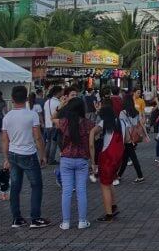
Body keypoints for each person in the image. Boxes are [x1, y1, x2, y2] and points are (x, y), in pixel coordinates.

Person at [1, 85, 50, 229]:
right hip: (28, 154)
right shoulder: (32, 115)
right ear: (27, 98)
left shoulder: (7, 117)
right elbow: (38, 138)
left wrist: (6, 158)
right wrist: (43, 155)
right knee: (36, 185)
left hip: (13, 154)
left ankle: (17, 218)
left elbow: (5, 139)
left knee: (15, 187)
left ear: (12, 99)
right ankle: (35, 218)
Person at [55, 95, 94, 230]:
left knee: (66, 191)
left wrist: (61, 106)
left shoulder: (63, 122)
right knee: (81, 190)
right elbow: (92, 142)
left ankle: (66, 222)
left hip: (66, 159)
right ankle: (82, 221)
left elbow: (51, 119)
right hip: (82, 159)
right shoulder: (88, 123)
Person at [94, 91, 124, 221]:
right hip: (118, 157)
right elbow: (127, 139)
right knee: (110, 181)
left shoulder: (103, 123)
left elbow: (93, 133)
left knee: (104, 185)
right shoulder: (121, 122)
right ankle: (114, 206)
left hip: (106, 157)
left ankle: (108, 214)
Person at [118, 96, 145, 183]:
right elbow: (138, 124)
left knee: (133, 158)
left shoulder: (123, 113)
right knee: (125, 158)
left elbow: (122, 126)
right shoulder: (136, 112)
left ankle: (140, 176)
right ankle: (119, 175)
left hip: (126, 137)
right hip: (133, 137)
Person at [43, 86, 62, 165]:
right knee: (54, 143)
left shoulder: (47, 102)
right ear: (58, 92)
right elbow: (60, 114)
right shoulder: (58, 103)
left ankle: (46, 158)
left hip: (47, 125)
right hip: (55, 125)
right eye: (61, 91)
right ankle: (51, 160)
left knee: (48, 142)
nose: (62, 93)